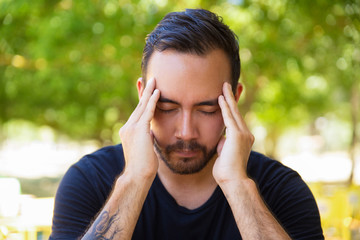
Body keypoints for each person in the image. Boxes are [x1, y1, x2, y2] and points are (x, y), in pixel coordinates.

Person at [50, 8, 324, 240]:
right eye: (167, 108)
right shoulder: (88, 181)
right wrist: (134, 180)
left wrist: (238, 186)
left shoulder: (282, 190)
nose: (185, 132)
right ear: (142, 96)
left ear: (235, 99)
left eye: (207, 109)